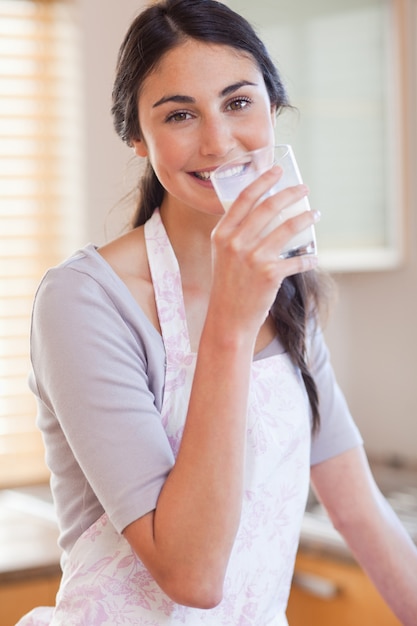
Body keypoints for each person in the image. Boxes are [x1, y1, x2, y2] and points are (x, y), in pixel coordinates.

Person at [17, 1, 417, 625]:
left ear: (272, 107)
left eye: (238, 102)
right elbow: (192, 575)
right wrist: (230, 324)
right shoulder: (84, 302)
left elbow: (359, 508)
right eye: (180, 114)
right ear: (137, 138)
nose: (218, 140)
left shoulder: (287, 287)